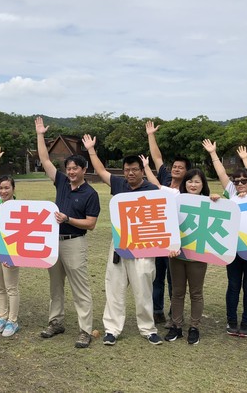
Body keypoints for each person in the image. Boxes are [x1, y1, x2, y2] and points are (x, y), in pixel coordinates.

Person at [82, 135, 162, 346]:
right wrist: (91, 150)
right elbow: (100, 171)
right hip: (119, 246)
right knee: (114, 288)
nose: (130, 173)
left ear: (142, 170)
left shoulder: (152, 191)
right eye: (127, 170)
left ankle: (147, 329)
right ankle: (112, 329)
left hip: (144, 247)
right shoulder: (119, 185)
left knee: (143, 289)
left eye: (134, 169)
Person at [35, 117, 101, 349]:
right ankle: (56, 322)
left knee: (80, 287)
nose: (71, 171)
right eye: (69, 168)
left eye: (75, 168)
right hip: (54, 242)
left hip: (75, 242)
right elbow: (44, 159)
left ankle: (85, 330)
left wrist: (68, 219)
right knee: (55, 286)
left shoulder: (90, 194)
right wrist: (40, 134)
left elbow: (91, 224)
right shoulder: (61, 182)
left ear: (84, 170)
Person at [202, 139, 247, 337]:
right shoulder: (231, 194)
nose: (239, 183)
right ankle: (231, 321)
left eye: (243, 180)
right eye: (236, 181)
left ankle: (246, 323)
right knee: (233, 286)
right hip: (233, 249)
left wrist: (246, 160)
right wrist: (213, 153)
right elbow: (221, 173)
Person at [164, 169, 221, 345]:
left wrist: (218, 201)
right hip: (176, 255)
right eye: (190, 181)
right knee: (177, 292)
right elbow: (167, 224)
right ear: (184, 183)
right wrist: (170, 246)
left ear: (203, 184)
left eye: (197, 181)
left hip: (198, 256)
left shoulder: (209, 202)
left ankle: (194, 327)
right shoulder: (175, 201)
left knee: (196, 293)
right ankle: (176, 326)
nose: (193, 185)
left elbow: (225, 215)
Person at [146, 121, 191, 325]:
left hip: (177, 239)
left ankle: (175, 312)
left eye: (181, 168)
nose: (176, 169)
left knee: (174, 279)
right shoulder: (164, 177)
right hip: (158, 234)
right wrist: (151, 135)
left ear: (187, 172)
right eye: (175, 166)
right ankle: (157, 311)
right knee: (157, 277)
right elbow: (157, 157)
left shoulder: (187, 190)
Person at [0, 145, 20, 337]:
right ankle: (2, 316)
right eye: (1, 188)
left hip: (10, 252)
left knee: (11, 287)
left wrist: (14, 255)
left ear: (13, 188)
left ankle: (13, 321)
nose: (3, 190)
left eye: (6, 187)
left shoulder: (17, 206)